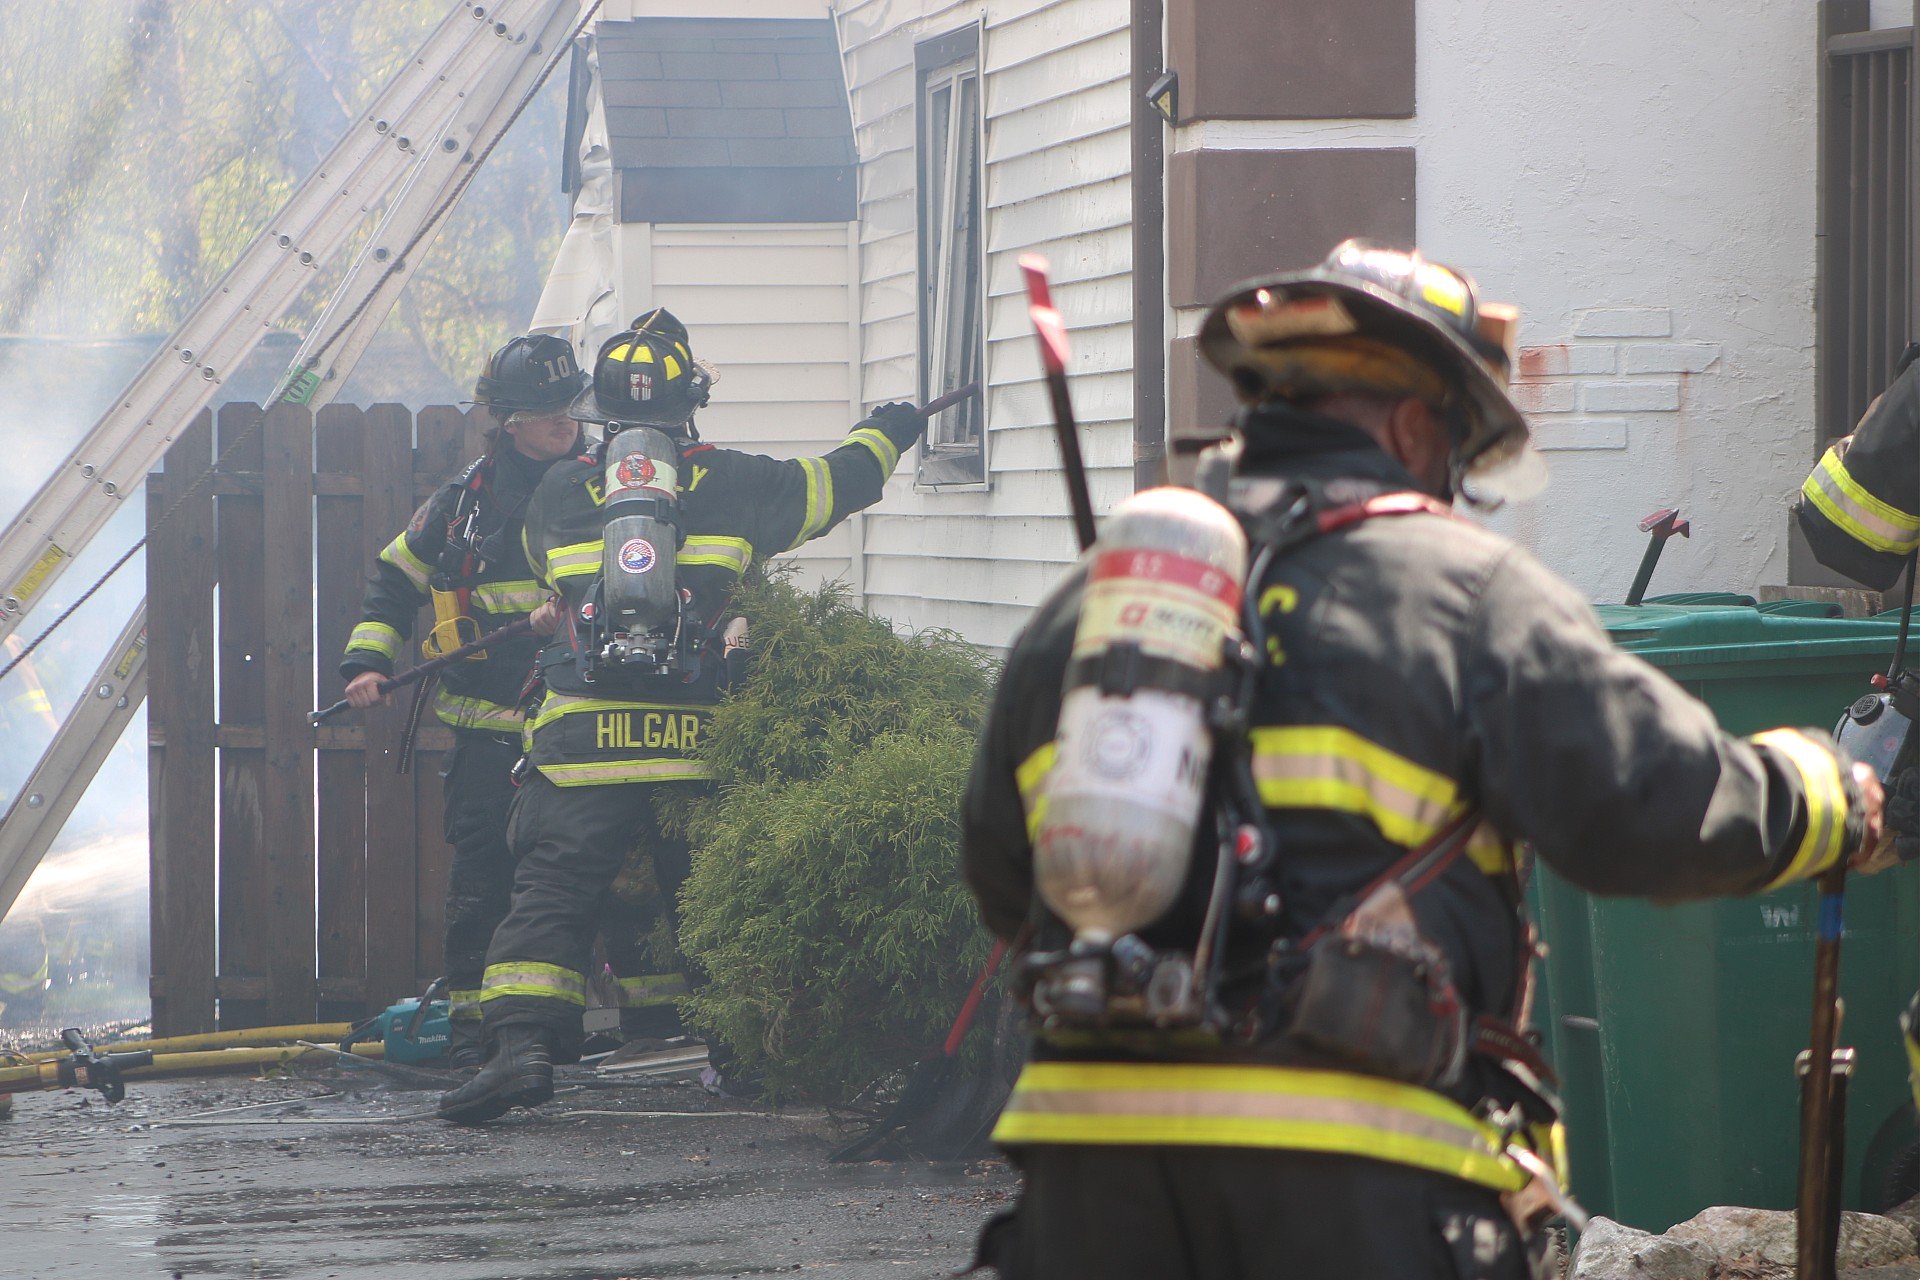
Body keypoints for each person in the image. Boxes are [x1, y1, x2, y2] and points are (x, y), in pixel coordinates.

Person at [959, 241, 1887, 1279]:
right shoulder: (1460, 589)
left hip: (1090, 1189)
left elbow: (1007, 875)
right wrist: (1831, 792)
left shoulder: (1099, 609)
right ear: (1413, 424)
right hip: (1352, 1195)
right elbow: (1649, 804)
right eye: (1455, 454)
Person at [438, 309, 931, 1123]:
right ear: (689, 402)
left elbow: (542, 575)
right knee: (709, 900)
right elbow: (836, 484)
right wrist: (889, 430)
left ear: (599, 411)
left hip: (582, 742)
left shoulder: (561, 492)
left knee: (552, 892)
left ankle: (521, 1050)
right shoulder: (741, 483)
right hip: (701, 740)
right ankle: (740, 1056)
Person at [339, 333, 676, 1067]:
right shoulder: (465, 503)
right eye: (545, 411)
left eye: (570, 408)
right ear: (508, 421)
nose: (565, 422)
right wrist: (366, 660)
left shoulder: (610, 485)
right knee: (486, 889)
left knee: (623, 880)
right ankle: (484, 1036)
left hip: (589, 731)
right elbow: (395, 581)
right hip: (492, 739)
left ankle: (658, 1035)